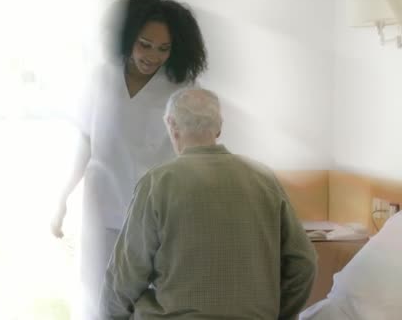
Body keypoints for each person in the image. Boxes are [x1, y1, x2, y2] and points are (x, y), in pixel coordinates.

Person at [50, 0, 208, 320]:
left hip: (158, 212)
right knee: (100, 298)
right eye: (145, 44)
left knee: (150, 305)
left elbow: (195, 155)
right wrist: (62, 197)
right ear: (129, 38)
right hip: (102, 204)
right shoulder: (102, 77)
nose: (152, 56)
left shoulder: (181, 87)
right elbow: (85, 139)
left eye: (163, 48)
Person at [100, 88, 317, 320]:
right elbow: (305, 262)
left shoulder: (157, 183)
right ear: (219, 127)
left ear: (171, 125)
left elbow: (125, 277)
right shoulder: (264, 179)